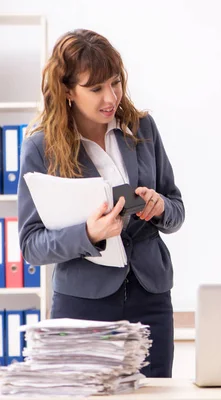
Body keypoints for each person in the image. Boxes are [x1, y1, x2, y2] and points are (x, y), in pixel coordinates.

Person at [18, 29, 185, 378]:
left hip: (150, 296)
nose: (111, 97)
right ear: (68, 90)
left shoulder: (142, 128)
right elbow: (32, 245)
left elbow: (176, 208)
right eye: (95, 89)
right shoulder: (40, 148)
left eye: (115, 83)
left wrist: (160, 209)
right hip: (82, 303)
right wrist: (89, 234)